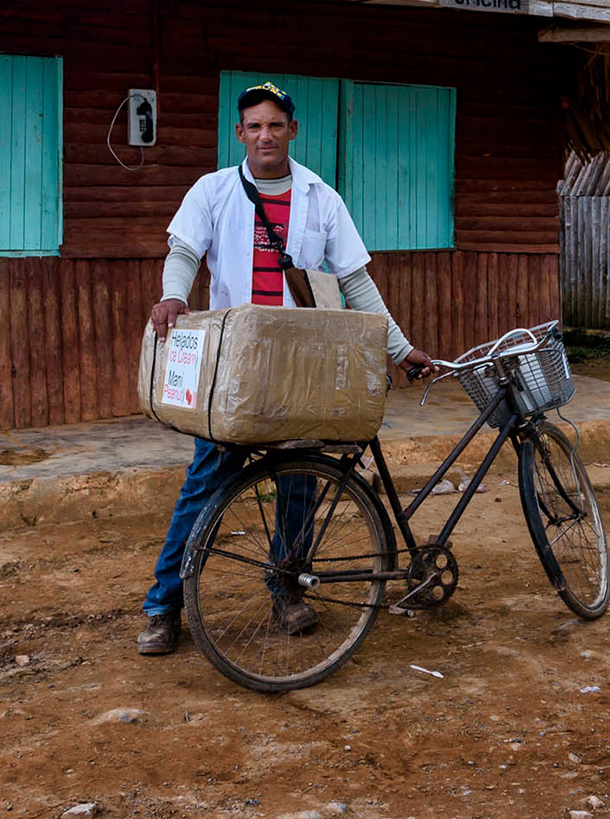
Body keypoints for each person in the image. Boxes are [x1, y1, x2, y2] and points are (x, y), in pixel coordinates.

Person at [136, 81, 433, 655]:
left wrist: (399, 349)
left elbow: (355, 282)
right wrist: (174, 294)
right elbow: (184, 252)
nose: (265, 135)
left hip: (301, 371)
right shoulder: (213, 190)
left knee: (299, 484)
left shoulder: (323, 199)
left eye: (275, 125)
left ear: (292, 131)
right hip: (236, 372)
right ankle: (163, 607)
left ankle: (288, 590)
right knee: (205, 486)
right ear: (240, 133)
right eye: (254, 126)